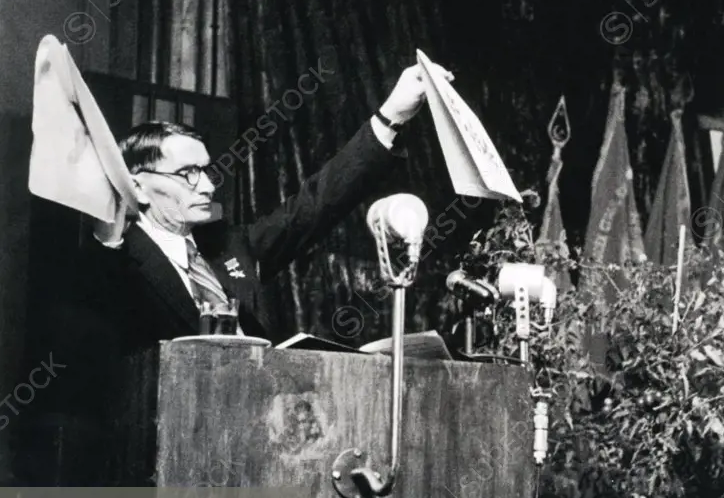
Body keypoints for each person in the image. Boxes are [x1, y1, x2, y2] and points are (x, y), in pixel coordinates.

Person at [32, 63, 450, 419]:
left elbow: (316, 204)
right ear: (139, 187)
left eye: (208, 170)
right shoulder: (113, 261)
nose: (208, 184)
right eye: (188, 174)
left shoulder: (232, 245)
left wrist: (392, 116)